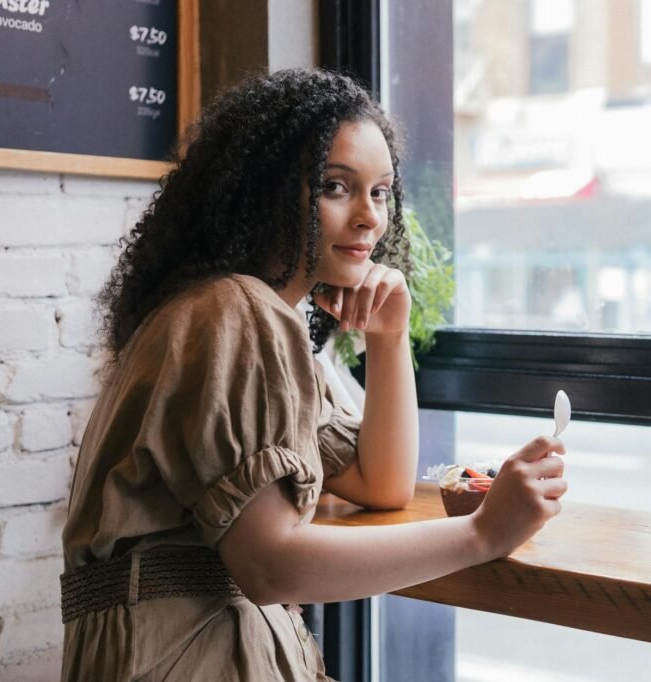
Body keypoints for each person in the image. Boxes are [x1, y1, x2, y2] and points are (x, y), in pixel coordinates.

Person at [60, 68, 567, 681]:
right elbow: (271, 565)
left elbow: (381, 484)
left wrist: (388, 338)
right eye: (335, 187)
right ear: (265, 193)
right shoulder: (238, 312)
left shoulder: (231, 313)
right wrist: (483, 533)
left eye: (380, 192)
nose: (369, 219)